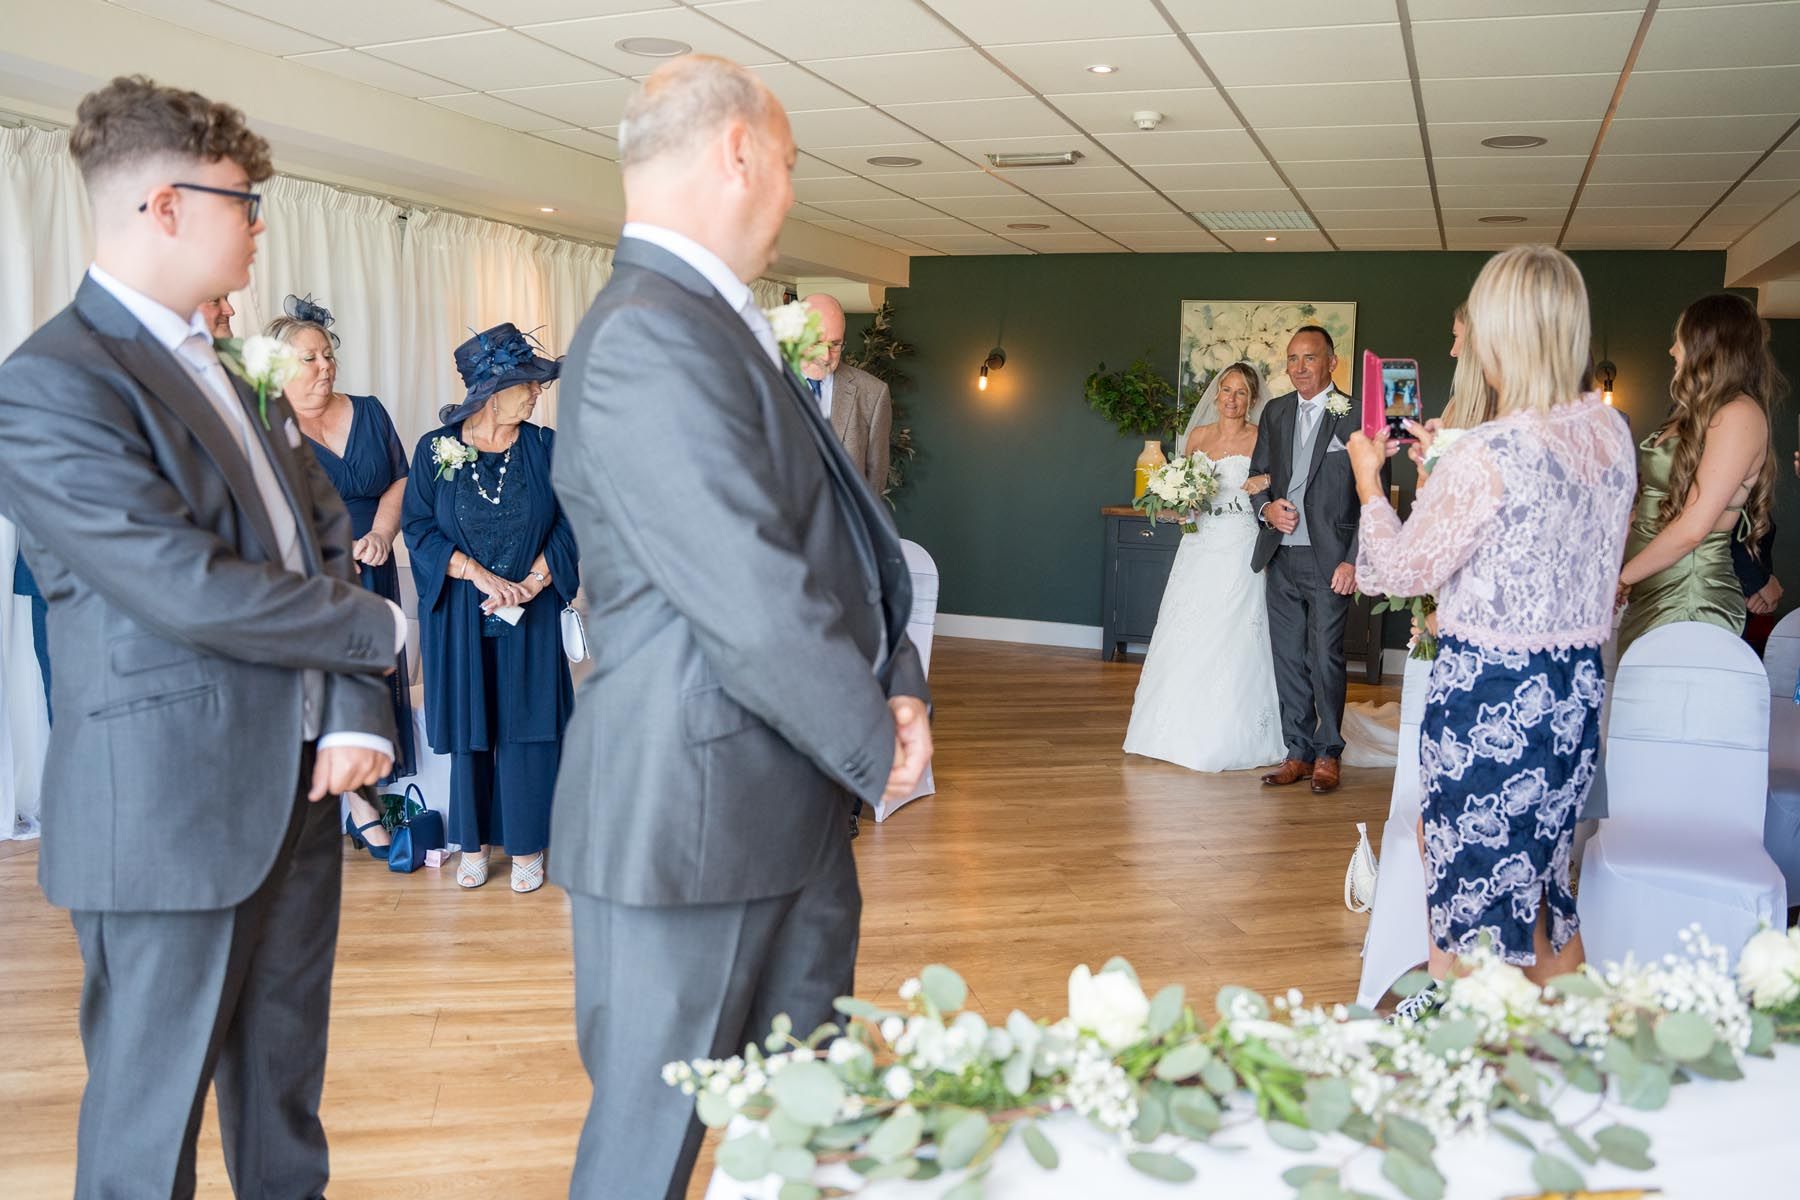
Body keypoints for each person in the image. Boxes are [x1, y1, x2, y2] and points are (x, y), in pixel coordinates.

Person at [0, 76, 402, 1197]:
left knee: (282, 1115)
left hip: (298, 799)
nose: (259, 227)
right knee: (146, 1138)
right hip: (164, 818)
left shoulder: (234, 374)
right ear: (163, 207)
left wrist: (354, 712)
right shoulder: (47, 385)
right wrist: (378, 627)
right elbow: (183, 586)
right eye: (243, 201)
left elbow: (320, 533)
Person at [549, 55, 932, 1199]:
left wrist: (897, 674)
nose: (795, 193)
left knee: (807, 1135)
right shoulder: (644, 335)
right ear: (738, 154)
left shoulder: (713, 325)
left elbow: (847, 552)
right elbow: (751, 596)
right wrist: (882, 746)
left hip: (788, 808)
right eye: (793, 164)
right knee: (649, 1151)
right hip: (692, 826)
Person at [1351, 245, 1636, 1005]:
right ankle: (1574, 1042)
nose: (1466, 339)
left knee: (1464, 886)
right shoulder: (1613, 439)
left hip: (1490, 696)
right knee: (1540, 881)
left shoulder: (1489, 452)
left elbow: (1397, 572)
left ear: (1499, 333)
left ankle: (1457, 1049)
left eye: (1473, 323)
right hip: (1573, 694)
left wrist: (1370, 484)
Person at [403, 323, 578, 895]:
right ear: (489, 394)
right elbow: (419, 528)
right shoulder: (436, 450)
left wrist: (531, 583)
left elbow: (577, 521)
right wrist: (474, 573)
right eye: (525, 383)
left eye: (535, 384)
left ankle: (528, 844)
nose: (535, 393)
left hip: (530, 614)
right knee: (472, 730)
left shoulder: (545, 447)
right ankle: (472, 844)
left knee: (530, 728)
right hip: (460, 613)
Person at [269, 293, 418, 853]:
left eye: (327, 355)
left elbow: (400, 480)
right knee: (331, 682)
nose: (324, 366)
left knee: (374, 678)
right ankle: (359, 805)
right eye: (310, 358)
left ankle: (369, 788)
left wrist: (381, 533)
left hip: (375, 566)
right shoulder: (268, 428)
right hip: (317, 579)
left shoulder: (371, 411)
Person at [1123, 361, 1285, 771]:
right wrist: (1180, 510)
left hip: (1241, 544)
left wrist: (1264, 482)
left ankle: (1232, 732)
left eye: (1241, 393)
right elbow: (1187, 495)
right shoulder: (1197, 436)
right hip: (1199, 547)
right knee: (1187, 630)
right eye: (1226, 390)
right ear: (1216, 395)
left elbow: (1280, 483)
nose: (1232, 399)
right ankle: (1170, 730)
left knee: (1232, 633)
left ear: (1252, 401)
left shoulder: (1260, 438)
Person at [1616, 293, 1780, 657]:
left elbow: (1693, 529)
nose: (1673, 350)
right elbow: (1655, 502)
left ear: (1708, 344)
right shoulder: (1691, 412)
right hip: (1652, 590)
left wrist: (1622, 579)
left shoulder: (1738, 415)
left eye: (1680, 339)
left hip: (1689, 596)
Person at [1247, 326, 1361, 795]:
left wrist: (1353, 560)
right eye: (1292, 359)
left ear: (1332, 362)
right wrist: (1268, 508)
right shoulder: (1275, 412)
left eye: (1308, 359)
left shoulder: (1356, 415)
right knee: (1288, 658)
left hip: (1331, 560)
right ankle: (1297, 750)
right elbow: (1259, 476)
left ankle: (1328, 752)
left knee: (1326, 657)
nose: (1299, 368)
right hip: (1282, 557)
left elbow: (1372, 499)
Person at [800, 292, 892, 495]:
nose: (825, 356)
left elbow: (875, 481)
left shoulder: (873, 393)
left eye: (834, 344)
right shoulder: (764, 382)